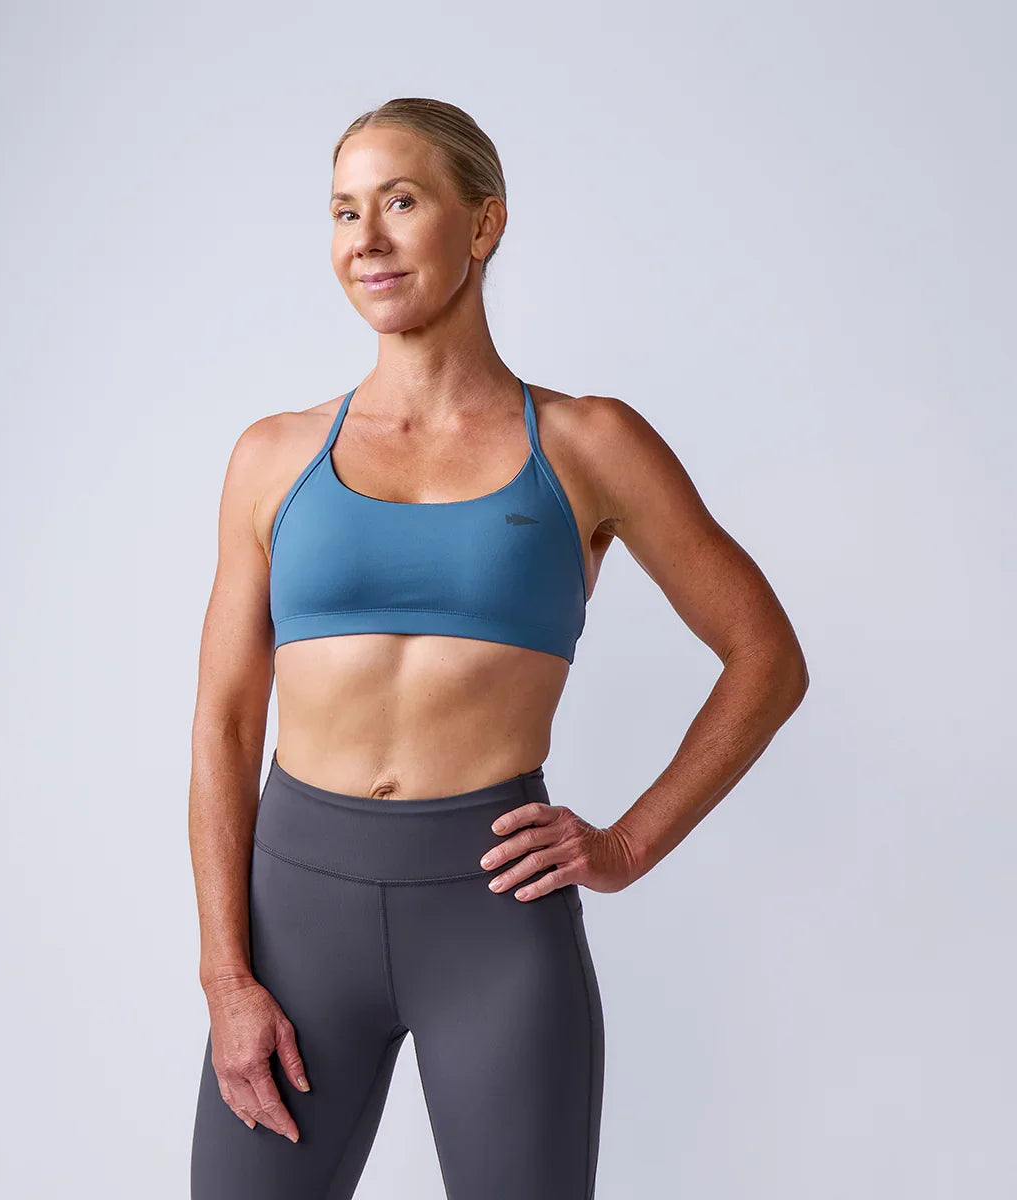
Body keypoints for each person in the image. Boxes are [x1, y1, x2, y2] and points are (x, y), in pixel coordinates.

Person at [188, 97, 808, 1200]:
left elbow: (766, 657)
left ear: (484, 226)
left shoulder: (588, 443)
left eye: (401, 201)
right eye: (343, 210)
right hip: (294, 926)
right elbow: (228, 725)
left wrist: (628, 846)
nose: (365, 238)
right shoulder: (273, 456)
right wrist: (225, 976)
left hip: (490, 919)